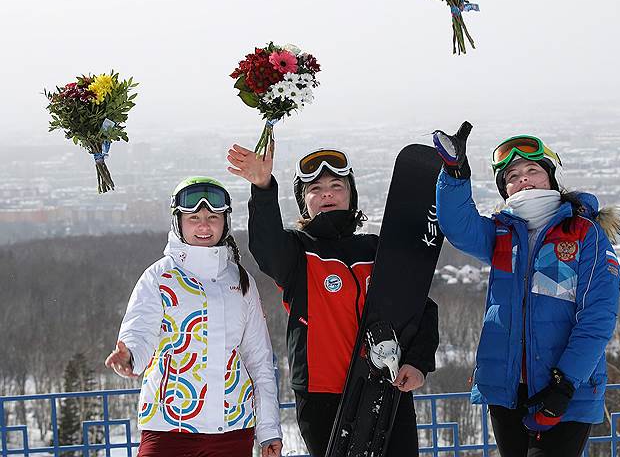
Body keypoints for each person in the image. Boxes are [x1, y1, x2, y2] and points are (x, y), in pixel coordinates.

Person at [227, 144, 439, 457]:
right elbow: (267, 247)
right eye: (315, 189)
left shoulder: (378, 251)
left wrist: (418, 362)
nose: (327, 194)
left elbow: (420, 307)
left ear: (351, 194)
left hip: (387, 386)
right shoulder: (298, 254)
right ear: (304, 203)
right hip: (322, 396)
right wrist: (262, 188)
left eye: (336, 186)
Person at [432, 123, 620, 457]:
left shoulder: (584, 234)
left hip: (564, 389)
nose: (522, 178)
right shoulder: (503, 234)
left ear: (550, 178)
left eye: (532, 170)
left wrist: (565, 382)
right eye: (511, 175)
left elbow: (598, 315)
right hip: (507, 390)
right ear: (505, 190)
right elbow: (458, 226)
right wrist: (455, 173)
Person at [105, 177, 282, 457]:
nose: (204, 225)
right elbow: (140, 331)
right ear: (178, 222)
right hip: (167, 427)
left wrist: (269, 429)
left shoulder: (242, 281)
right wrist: (130, 357)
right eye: (193, 217)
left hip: (233, 429)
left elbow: (259, 360)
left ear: (225, 222)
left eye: (213, 217)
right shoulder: (159, 277)